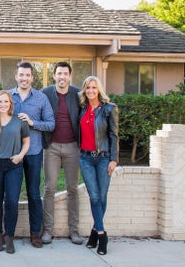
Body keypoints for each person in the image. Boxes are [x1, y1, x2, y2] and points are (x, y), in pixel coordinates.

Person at [7, 62, 55, 248]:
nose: (24, 78)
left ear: (32, 78)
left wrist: (33, 122)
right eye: (21, 75)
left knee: (34, 194)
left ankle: (35, 233)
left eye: (27, 75)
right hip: (12, 153)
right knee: (11, 195)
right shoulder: (8, 96)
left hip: (34, 152)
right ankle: (8, 233)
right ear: (16, 76)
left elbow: (51, 124)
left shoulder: (41, 98)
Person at [0, 90, 30, 254]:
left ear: (10, 103)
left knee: (12, 202)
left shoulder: (19, 122)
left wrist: (20, 156)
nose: (3, 104)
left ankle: (9, 236)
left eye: (6, 101)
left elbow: (26, 143)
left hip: (14, 165)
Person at [41, 62, 84, 245]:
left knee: (72, 189)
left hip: (73, 147)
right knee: (49, 188)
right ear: (54, 75)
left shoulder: (77, 94)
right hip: (51, 147)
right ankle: (48, 230)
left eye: (65, 74)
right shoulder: (46, 93)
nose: (62, 77)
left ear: (70, 76)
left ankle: (74, 230)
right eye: (59, 73)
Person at [78, 76, 119, 256]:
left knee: (102, 197)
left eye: (94, 87)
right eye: (88, 88)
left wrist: (114, 159)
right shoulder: (82, 109)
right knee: (94, 196)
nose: (91, 91)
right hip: (85, 158)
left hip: (104, 158)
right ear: (85, 90)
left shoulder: (109, 109)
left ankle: (94, 232)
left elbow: (114, 135)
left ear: (99, 89)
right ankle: (102, 235)